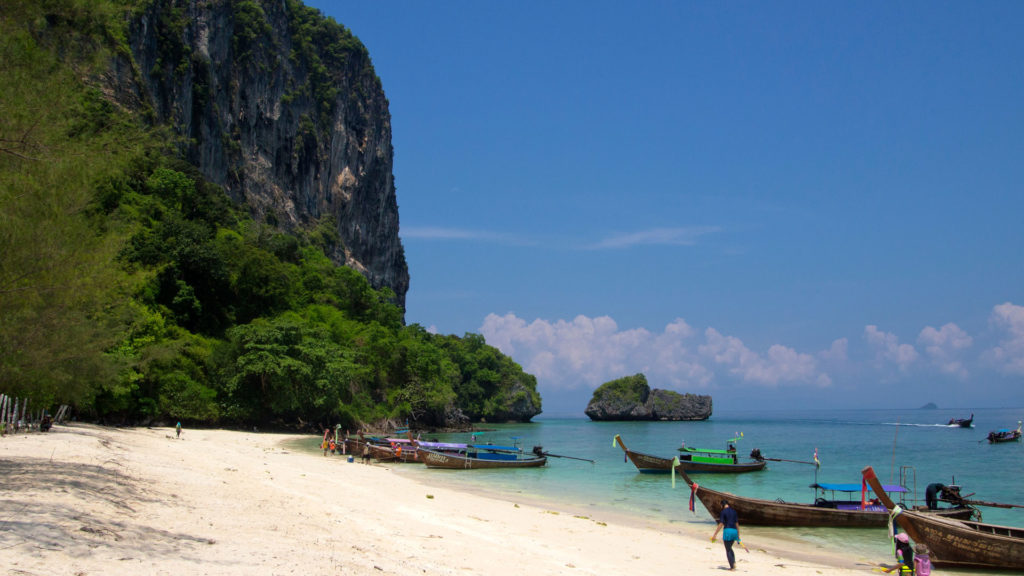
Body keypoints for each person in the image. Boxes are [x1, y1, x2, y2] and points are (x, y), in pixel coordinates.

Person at [711, 499, 740, 571]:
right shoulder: (734, 511)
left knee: (728, 550)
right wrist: (738, 535)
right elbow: (737, 523)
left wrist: (715, 534)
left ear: (722, 505)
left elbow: (721, 523)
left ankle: (732, 567)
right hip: (734, 531)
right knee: (730, 548)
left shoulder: (723, 512)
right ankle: (733, 562)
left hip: (728, 531)